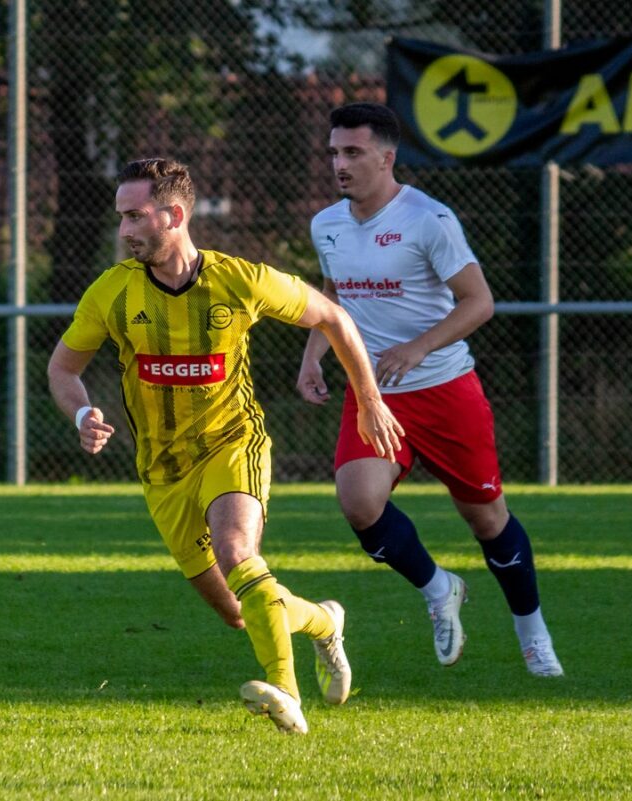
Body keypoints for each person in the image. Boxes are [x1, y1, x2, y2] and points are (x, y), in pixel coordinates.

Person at [48, 157, 405, 734]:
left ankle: (285, 693)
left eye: (135, 216)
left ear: (174, 215)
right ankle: (323, 621)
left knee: (238, 554)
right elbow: (63, 368)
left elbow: (334, 318)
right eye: (121, 217)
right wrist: (83, 411)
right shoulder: (112, 292)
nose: (124, 230)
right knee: (240, 612)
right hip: (162, 470)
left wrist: (369, 400)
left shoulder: (239, 280)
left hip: (232, 444)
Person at [297, 102, 563, 677]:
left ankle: (532, 632)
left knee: (486, 519)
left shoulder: (428, 219)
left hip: (445, 389)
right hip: (372, 393)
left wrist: (419, 347)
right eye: (334, 153)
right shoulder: (327, 224)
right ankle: (440, 589)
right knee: (359, 504)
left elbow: (479, 302)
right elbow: (332, 297)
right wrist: (313, 356)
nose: (339, 164)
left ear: (386, 157)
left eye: (353, 152)